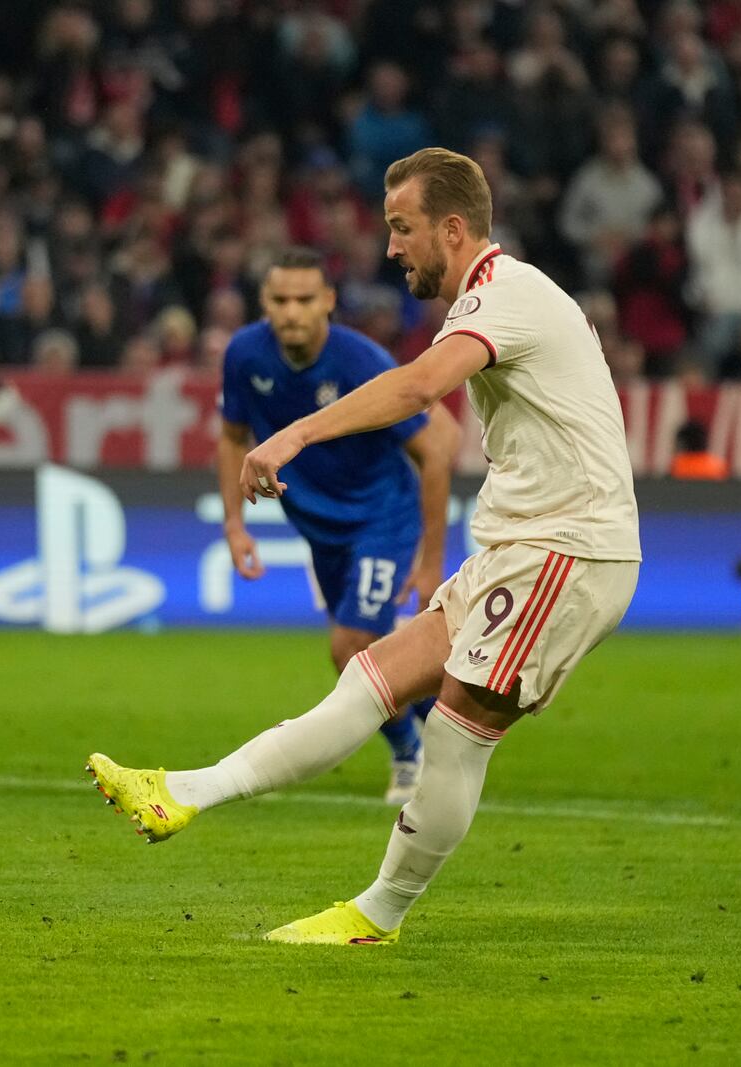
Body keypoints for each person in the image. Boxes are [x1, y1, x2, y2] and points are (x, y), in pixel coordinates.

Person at [88, 148, 640, 944]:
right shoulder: (487, 298)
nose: (391, 248)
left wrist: (296, 434)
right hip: (525, 547)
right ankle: (182, 791)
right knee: (365, 679)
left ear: (452, 229)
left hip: (568, 550)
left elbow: (421, 391)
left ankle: (377, 913)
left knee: (455, 729)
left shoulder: (508, 294)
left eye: (402, 228)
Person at [218, 247, 460, 805]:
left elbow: (436, 452)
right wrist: (235, 524)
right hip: (319, 528)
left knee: (349, 645)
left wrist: (430, 563)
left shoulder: (361, 362)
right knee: (371, 646)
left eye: (305, 299)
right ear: (265, 303)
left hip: (382, 517)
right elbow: (232, 438)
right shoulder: (244, 355)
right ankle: (445, 714)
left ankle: (408, 752)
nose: (293, 312)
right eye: (280, 300)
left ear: (328, 301)